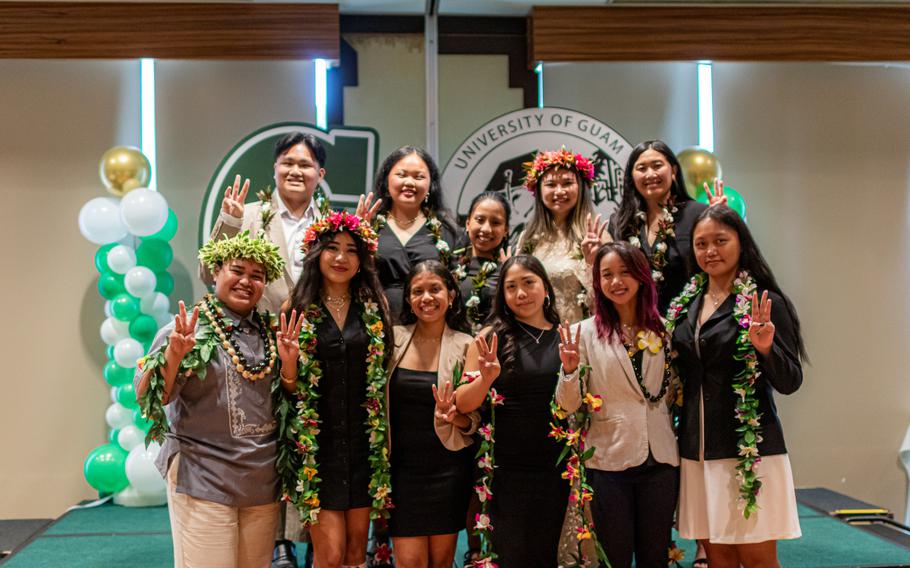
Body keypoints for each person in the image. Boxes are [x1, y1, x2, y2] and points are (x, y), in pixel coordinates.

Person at [135, 232, 298, 568]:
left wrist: (291, 365)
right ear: (216, 272)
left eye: (257, 276)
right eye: (237, 271)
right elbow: (152, 398)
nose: (246, 281)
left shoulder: (273, 333)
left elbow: (290, 404)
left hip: (261, 481)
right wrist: (175, 355)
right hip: (203, 475)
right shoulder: (187, 329)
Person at [668, 205, 807, 568]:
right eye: (701, 244)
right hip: (697, 451)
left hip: (748, 452)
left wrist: (765, 349)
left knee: (757, 559)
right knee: (719, 559)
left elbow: (790, 380)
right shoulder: (686, 306)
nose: (710, 251)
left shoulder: (763, 303)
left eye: (720, 241)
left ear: (741, 244)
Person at [273, 210, 394, 568]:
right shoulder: (294, 308)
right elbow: (287, 392)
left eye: (351, 250)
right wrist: (290, 365)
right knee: (330, 556)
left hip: (363, 446)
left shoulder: (374, 307)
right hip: (319, 450)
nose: (341, 258)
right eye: (332, 248)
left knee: (357, 553)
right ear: (315, 254)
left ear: (362, 260)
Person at [556, 242, 679, 568]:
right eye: (607, 274)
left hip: (661, 460)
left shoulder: (663, 329)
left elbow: (669, 391)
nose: (616, 281)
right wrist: (569, 371)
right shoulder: (582, 333)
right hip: (609, 462)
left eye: (625, 272)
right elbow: (567, 406)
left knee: (656, 557)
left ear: (641, 277)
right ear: (598, 282)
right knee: (615, 557)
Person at [455, 255, 568, 567]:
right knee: (507, 556)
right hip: (503, 469)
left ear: (546, 287)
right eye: (511, 287)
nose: (521, 293)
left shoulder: (565, 337)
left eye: (529, 283)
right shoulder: (489, 338)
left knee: (544, 554)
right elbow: (462, 402)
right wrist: (486, 379)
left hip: (553, 466)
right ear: (502, 296)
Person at [385, 260, 475, 568]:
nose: (427, 298)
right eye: (418, 291)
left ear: (451, 295)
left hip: (448, 469)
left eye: (435, 289)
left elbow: (475, 420)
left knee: (441, 562)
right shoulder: (391, 339)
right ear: (408, 300)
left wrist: (456, 417)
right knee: (409, 562)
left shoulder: (467, 344)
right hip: (401, 471)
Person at [201, 132, 328, 313]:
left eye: (305, 165)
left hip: (317, 333)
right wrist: (230, 222)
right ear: (275, 168)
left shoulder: (331, 225)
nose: (295, 171)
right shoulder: (245, 215)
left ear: (320, 174)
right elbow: (207, 273)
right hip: (257, 334)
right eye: (288, 163)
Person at [608, 140, 711, 313]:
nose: (650, 174)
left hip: (687, 323)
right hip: (637, 326)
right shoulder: (620, 222)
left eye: (657, 166)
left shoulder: (698, 215)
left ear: (674, 171)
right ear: (631, 177)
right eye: (641, 168)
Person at [373, 146, 459, 319]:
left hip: (429, 323)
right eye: (402, 175)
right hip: (376, 322)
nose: (410, 183)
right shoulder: (369, 225)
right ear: (386, 179)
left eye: (419, 177)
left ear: (430, 184)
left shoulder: (448, 231)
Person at [518, 147, 600, 323]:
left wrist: (591, 263)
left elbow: (610, 296)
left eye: (567, 183)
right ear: (539, 190)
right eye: (551, 185)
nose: (559, 191)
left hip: (580, 336)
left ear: (580, 188)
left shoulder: (595, 235)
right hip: (536, 336)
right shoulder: (528, 238)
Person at [452, 191, 511, 334]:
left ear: (506, 230)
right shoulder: (450, 265)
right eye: (480, 220)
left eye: (495, 222)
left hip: (496, 350)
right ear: (467, 223)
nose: (486, 229)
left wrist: (510, 276)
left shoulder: (509, 270)